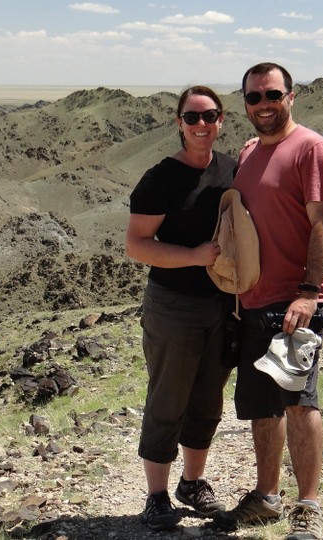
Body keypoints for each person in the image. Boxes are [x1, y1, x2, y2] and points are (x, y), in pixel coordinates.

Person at [212, 62, 323, 540]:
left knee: (298, 402)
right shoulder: (249, 151)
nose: (263, 105)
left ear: (291, 95)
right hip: (252, 299)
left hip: (294, 299)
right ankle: (267, 497)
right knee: (261, 405)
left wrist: (308, 293)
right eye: (253, 97)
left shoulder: (311, 148)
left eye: (272, 94)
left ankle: (309, 506)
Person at [125, 85, 237, 531]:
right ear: (179, 123)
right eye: (192, 118)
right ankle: (156, 495)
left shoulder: (232, 168)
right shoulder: (160, 179)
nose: (201, 125)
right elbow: (137, 244)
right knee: (168, 397)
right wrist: (193, 256)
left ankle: (192, 483)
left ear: (221, 120)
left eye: (209, 116)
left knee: (208, 397)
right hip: (173, 303)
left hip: (223, 302)